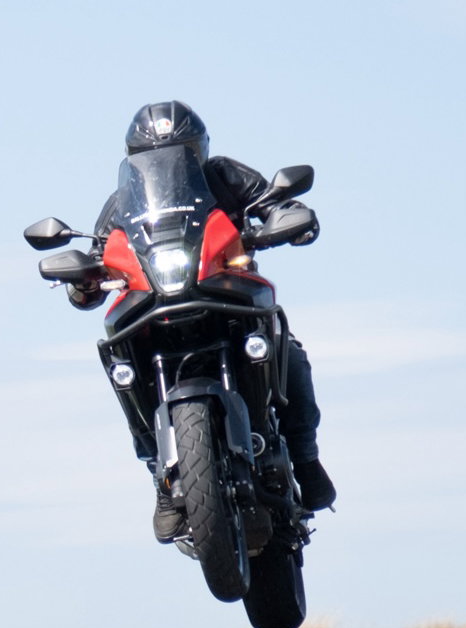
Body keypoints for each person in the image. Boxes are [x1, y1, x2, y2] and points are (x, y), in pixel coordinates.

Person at [68, 101, 336, 544]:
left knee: (288, 351)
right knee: (123, 366)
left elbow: (272, 202)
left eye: (182, 150)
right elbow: (100, 255)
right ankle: (162, 476)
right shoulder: (121, 205)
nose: (168, 162)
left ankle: (306, 460)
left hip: (222, 289)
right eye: (152, 156)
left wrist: (286, 217)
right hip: (156, 299)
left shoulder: (226, 176)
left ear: (199, 149)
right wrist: (83, 279)